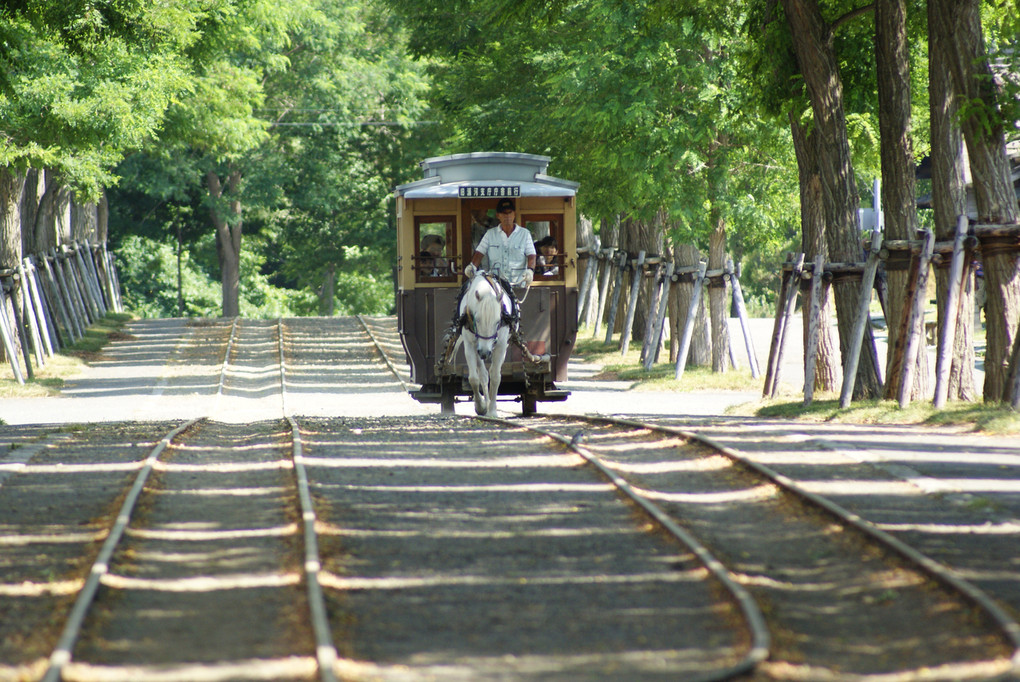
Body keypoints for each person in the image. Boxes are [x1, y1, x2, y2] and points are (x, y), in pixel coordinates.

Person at [463, 198, 536, 287]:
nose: (507, 216)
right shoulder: (490, 234)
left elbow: (531, 255)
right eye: (504, 213)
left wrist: (530, 271)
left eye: (510, 212)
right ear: (498, 215)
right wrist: (472, 267)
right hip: (495, 285)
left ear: (514, 214)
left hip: (518, 284)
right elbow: (479, 252)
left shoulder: (525, 234)